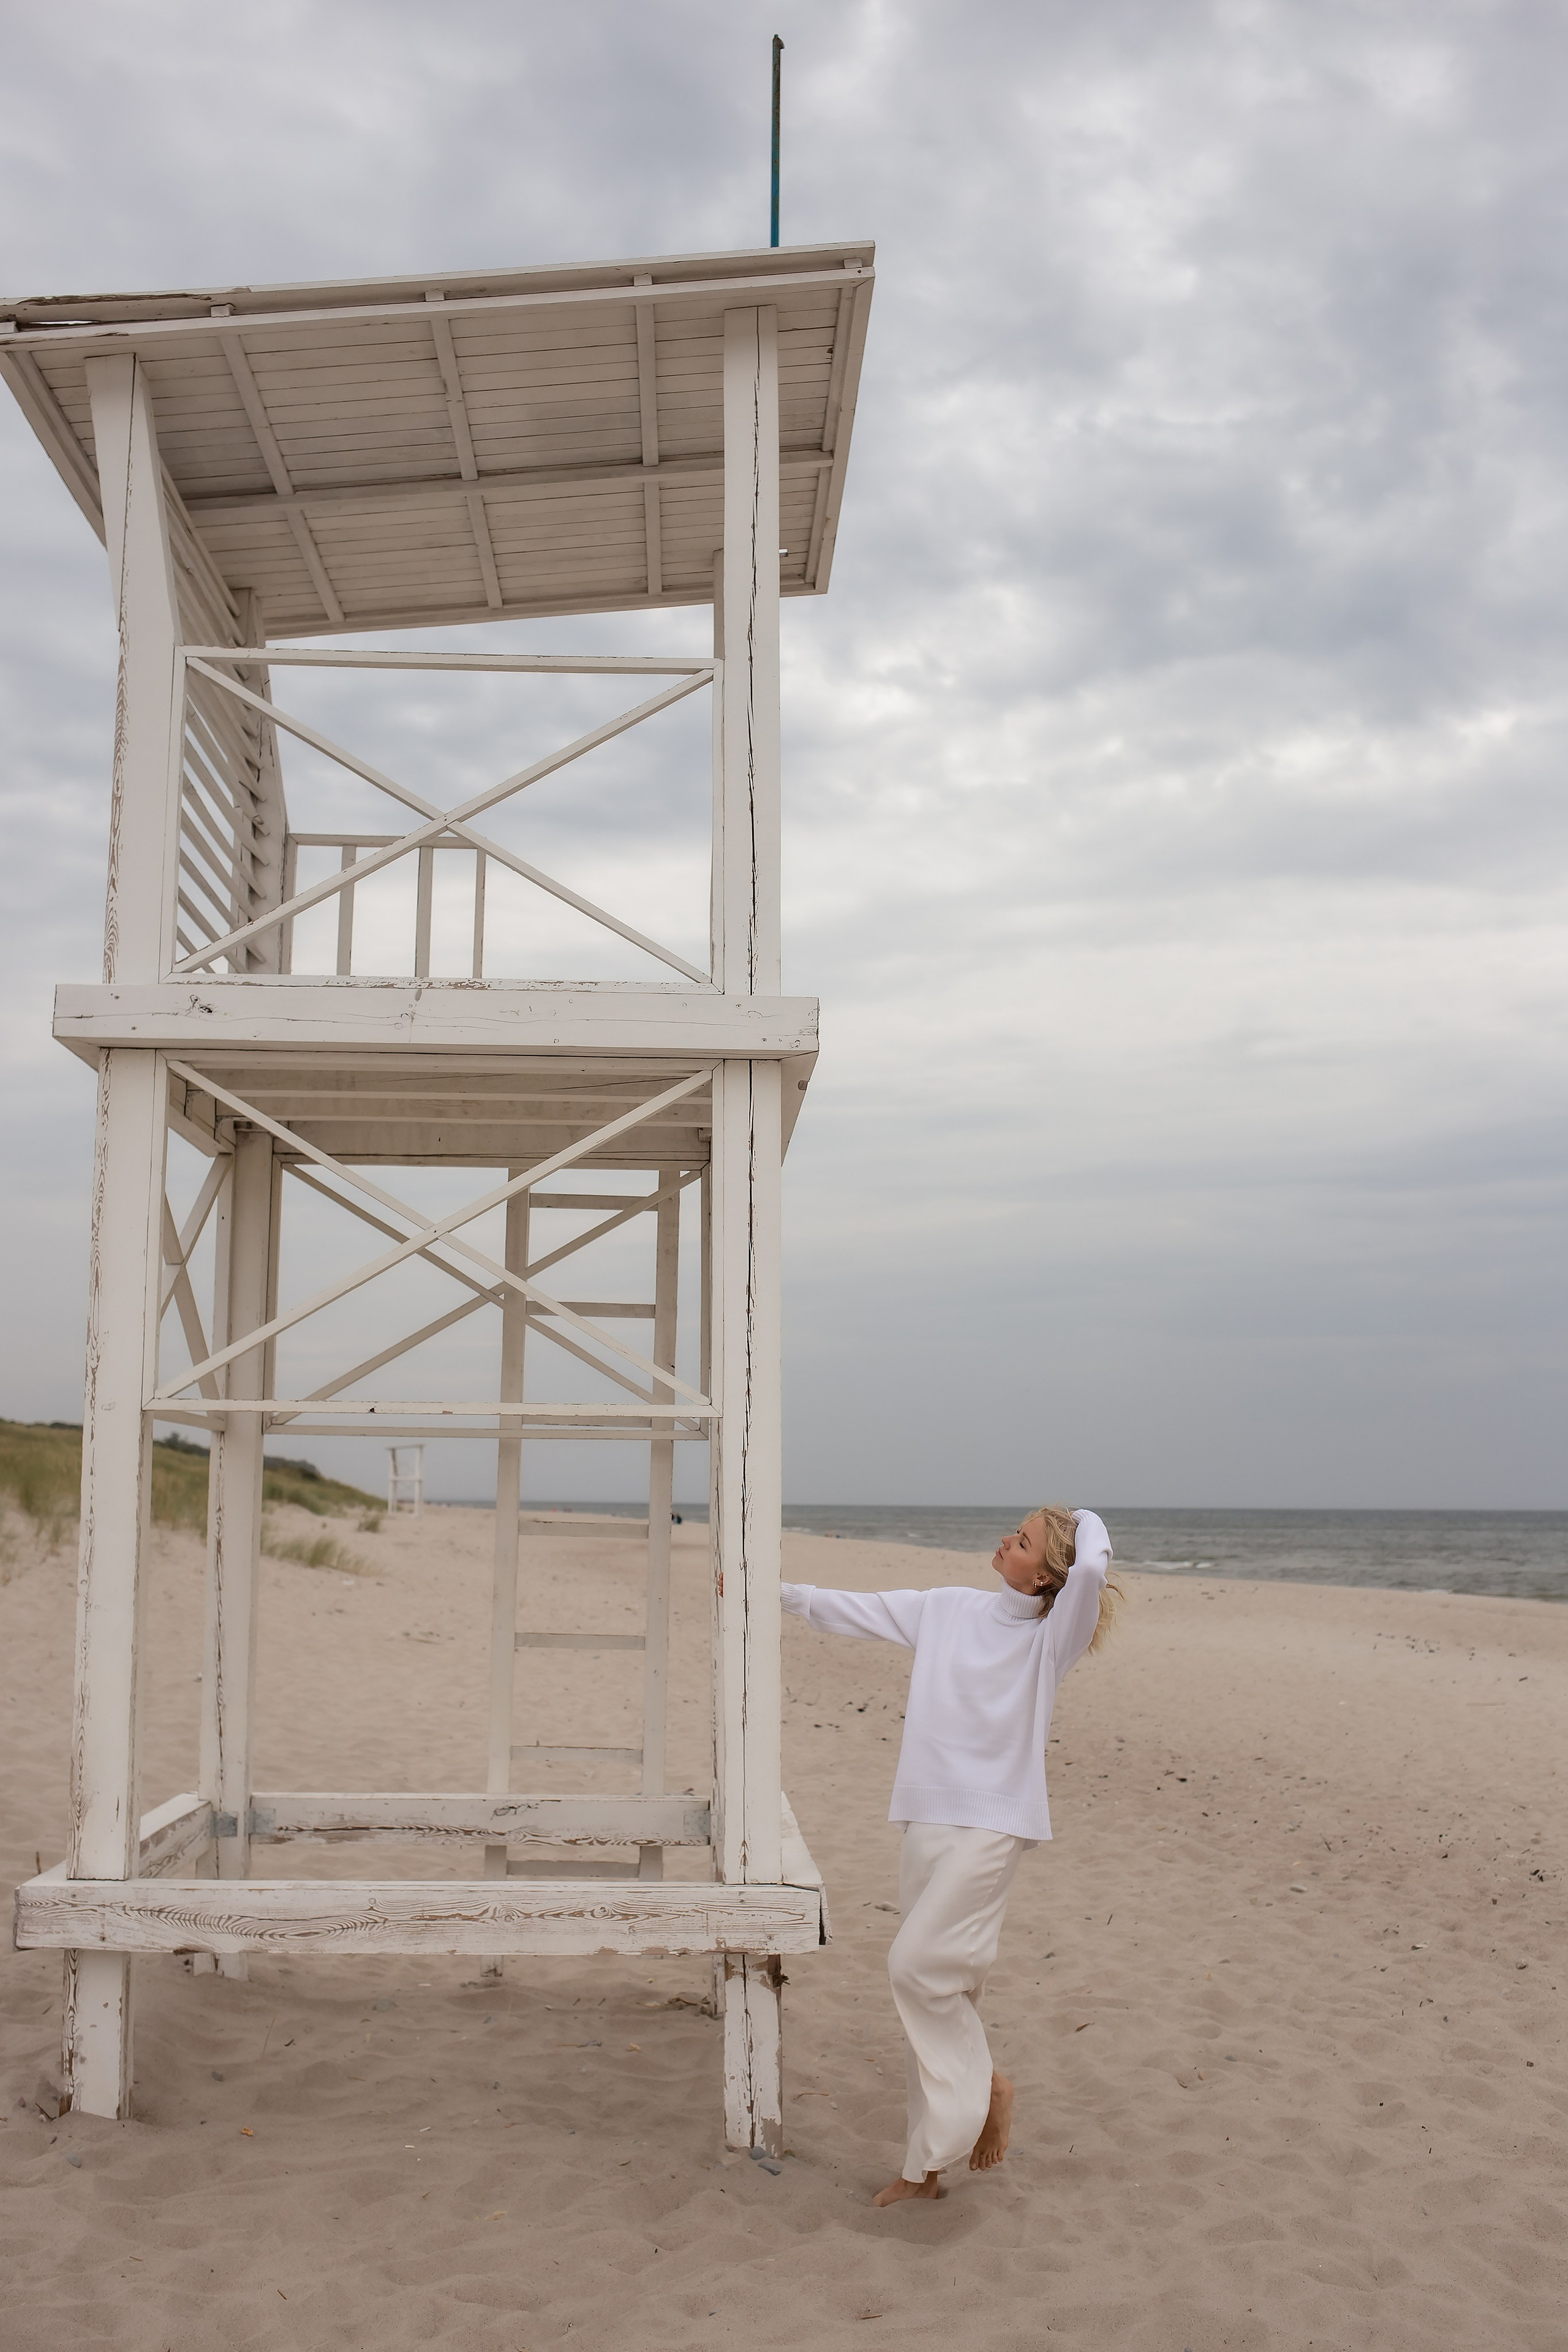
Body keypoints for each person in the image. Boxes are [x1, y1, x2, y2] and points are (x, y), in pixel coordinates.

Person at [781, 1504, 1118, 2206]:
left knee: (914, 1968)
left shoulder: (1052, 1640)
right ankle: (923, 2171)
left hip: (993, 1824)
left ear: (1045, 1575)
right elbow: (852, 1609)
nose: (1005, 1541)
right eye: (1013, 1531)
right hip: (925, 1817)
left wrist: (1079, 1514)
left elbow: (1090, 1567)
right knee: (941, 1990)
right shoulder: (947, 1609)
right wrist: (766, 1593)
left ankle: (988, 2087)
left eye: (1022, 1541)